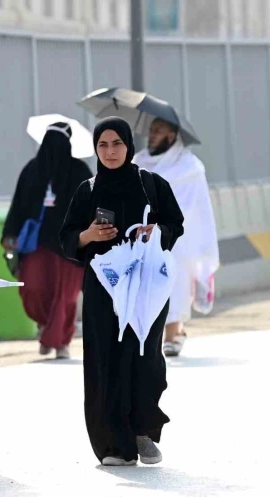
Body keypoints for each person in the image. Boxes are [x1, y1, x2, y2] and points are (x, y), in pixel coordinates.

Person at [59, 117, 184, 466]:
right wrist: (88, 236)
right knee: (106, 362)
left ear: (128, 145)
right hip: (104, 289)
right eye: (103, 145)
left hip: (146, 285)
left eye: (117, 144)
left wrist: (155, 231)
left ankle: (142, 430)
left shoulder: (151, 184)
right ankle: (114, 445)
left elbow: (176, 223)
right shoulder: (88, 189)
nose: (110, 152)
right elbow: (66, 237)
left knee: (146, 359)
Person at [2, 122, 92, 359]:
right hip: (37, 244)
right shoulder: (32, 170)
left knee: (66, 296)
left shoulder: (80, 171)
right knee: (32, 288)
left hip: (70, 245)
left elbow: (91, 206)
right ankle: (46, 327)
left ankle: (60, 342)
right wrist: (9, 234)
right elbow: (18, 204)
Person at [134, 118, 219, 357]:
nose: (151, 135)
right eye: (151, 130)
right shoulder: (139, 162)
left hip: (178, 239)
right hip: (144, 237)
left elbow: (196, 208)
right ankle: (157, 334)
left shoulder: (189, 167)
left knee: (176, 283)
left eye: (158, 131)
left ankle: (173, 333)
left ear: (172, 136)